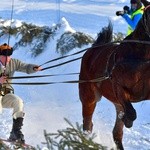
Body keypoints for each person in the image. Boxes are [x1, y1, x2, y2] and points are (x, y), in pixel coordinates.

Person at [0, 43, 42, 144]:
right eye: (5, 56)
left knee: (18, 101)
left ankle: (15, 132)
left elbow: (25, 66)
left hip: (5, 95)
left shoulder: (13, 62)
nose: (8, 58)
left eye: (9, 56)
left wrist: (34, 68)